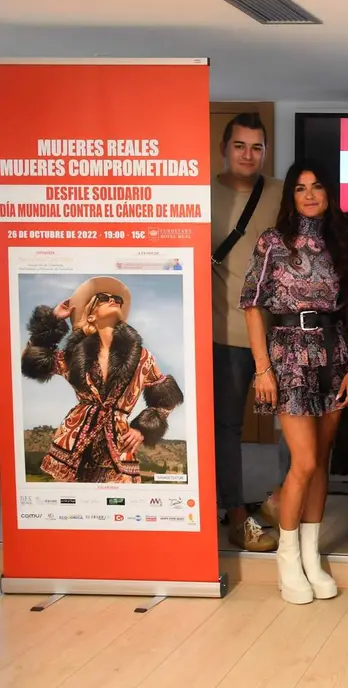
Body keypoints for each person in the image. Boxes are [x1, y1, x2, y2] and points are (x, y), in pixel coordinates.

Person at [239, 161, 348, 605]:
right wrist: (262, 368)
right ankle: (287, 558)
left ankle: (312, 557)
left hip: (334, 355)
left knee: (323, 462)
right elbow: (252, 305)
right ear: (290, 196)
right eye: (300, 188)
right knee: (304, 462)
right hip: (288, 353)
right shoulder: (273, 242)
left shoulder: (340, 241)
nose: (309, 195)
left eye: (316, 187)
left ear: (329, 193)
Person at [21, 277, 185, 483]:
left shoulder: (142, 357)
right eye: (103, 298)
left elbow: (167, 399)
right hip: (72, 442)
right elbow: (32, 363)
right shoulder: (73, 355)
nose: (113, 299)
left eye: (117, 298)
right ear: (90, 315)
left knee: (120, 505)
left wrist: (143, 429)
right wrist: (53, 319)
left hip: (119, 442)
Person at [210, 112, 282, 552]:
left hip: (284, 334)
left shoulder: (278, 194)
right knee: (227, 427)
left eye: (257, 147)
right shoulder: (201, 192)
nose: (248, 155)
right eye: (240, 146)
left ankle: (278, 504)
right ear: (224, 148)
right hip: (225, 331)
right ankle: (236, 514)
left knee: (298, 429)